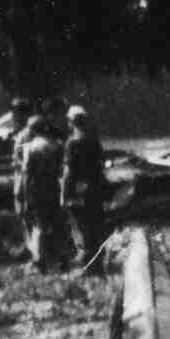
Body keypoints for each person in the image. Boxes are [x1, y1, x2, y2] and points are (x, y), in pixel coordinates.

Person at [15, 110, 71, 270]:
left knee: (38, 224)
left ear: (33, 130)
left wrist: (25, 196)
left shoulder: (31, 148)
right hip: (53, 187)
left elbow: (27, 174)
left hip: (37, 189)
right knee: (58, 224)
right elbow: (62, 169)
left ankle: (40, 260)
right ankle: (63, 257)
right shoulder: (57, 145)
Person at [62, 103, 111, 265]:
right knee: (96, 225)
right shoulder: (94, 141)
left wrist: (64, 193)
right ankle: (97, 261)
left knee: (82, 227)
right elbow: (101, 165)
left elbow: (69, 171)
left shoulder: (72, 143)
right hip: (95, 188)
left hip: (79, 191)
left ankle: (88, 263)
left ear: (71, 122)